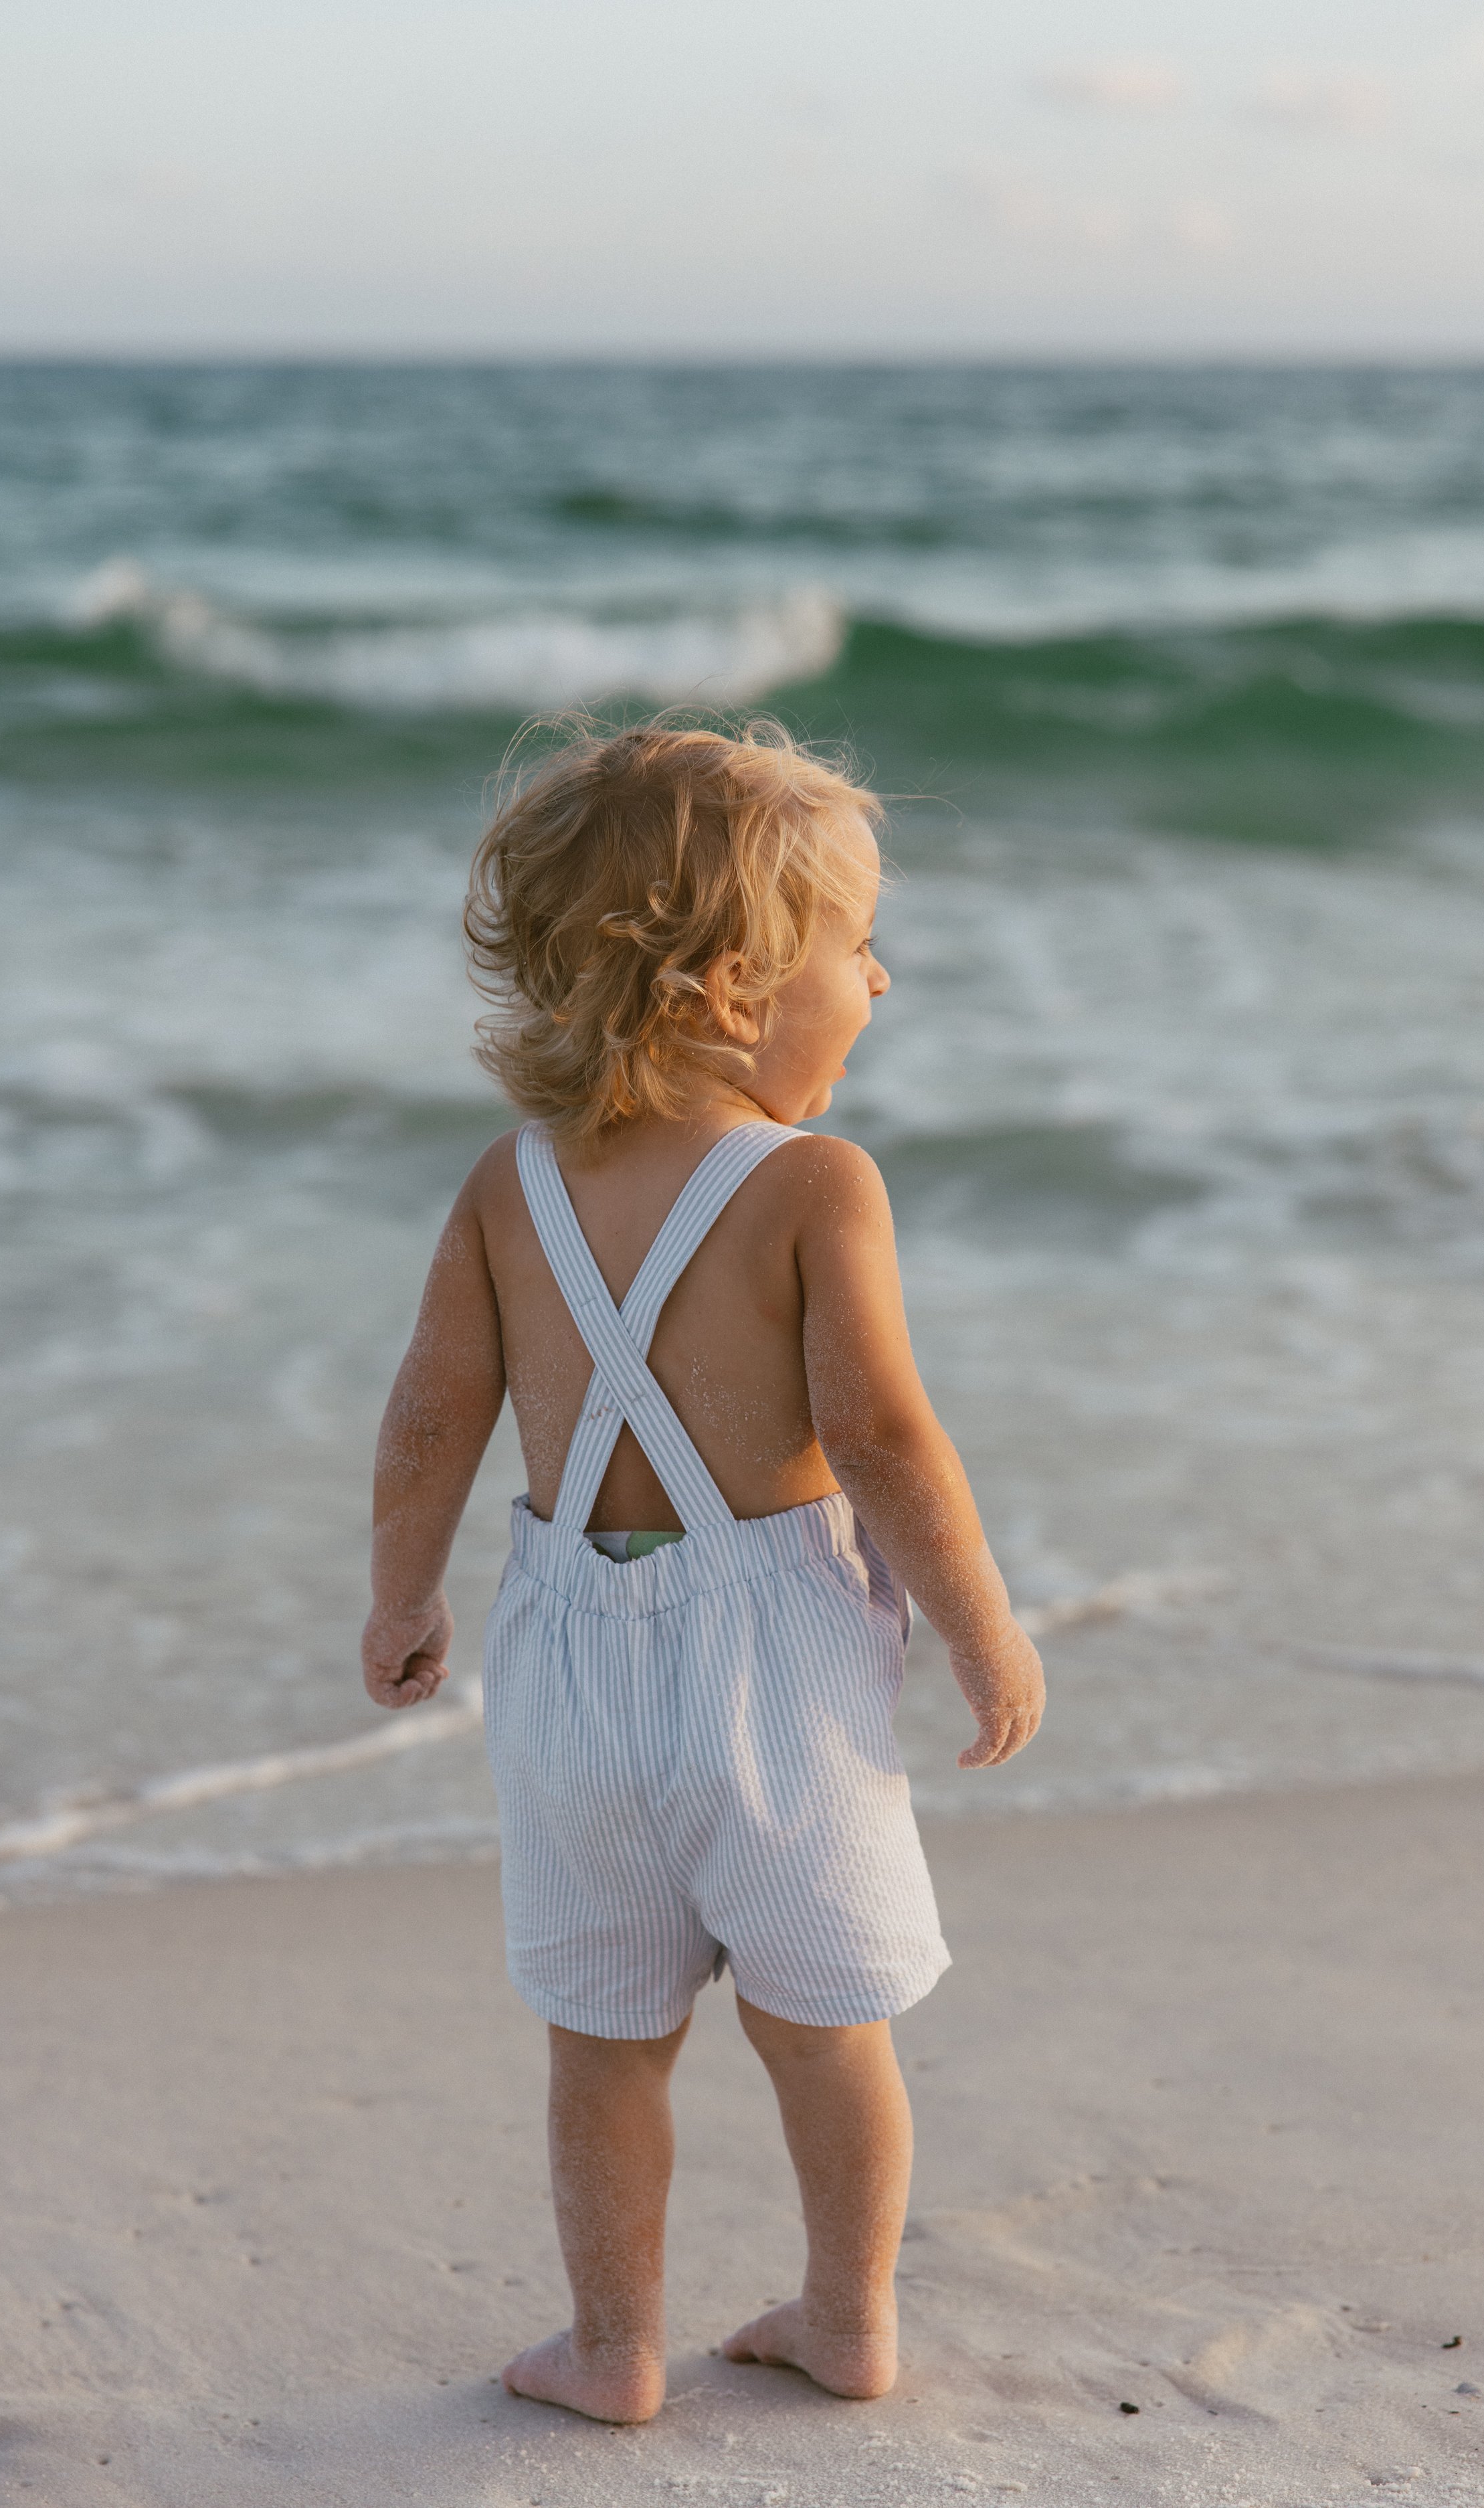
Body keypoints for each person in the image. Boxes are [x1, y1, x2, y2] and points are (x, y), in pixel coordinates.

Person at [361, 721, 1044, 2425]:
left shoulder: (508, 1186)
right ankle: (844, 2315)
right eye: (854, 948)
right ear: (732, 988)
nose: (878, 981)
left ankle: (611, 2345)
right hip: (776, 1657)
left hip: (569, 1660)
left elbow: (433, 1413)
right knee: (824, 2025)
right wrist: (984, 1630)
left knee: (603, 2035)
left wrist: (403, 1597)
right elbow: (880, 1435)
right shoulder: (814, 1179)